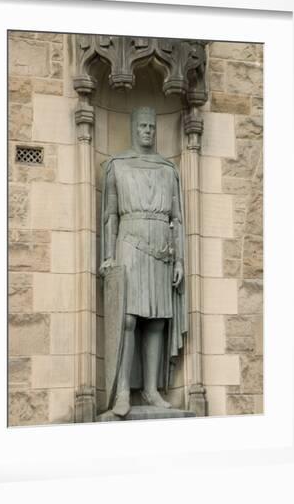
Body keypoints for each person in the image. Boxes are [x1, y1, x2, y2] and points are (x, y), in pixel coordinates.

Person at [100, 106, 186, 417]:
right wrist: (108, 256)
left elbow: (178, 219)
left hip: (161, 251)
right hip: (129, 245)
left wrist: (180, 261)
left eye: (152, 126)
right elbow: (110, 215)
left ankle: (151, 390)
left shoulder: (168, 169)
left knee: (158, 321)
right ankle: (123, 390)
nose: (148, 130)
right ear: (134, 128)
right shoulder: (117, 166)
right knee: (128, 319)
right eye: (143, 126)